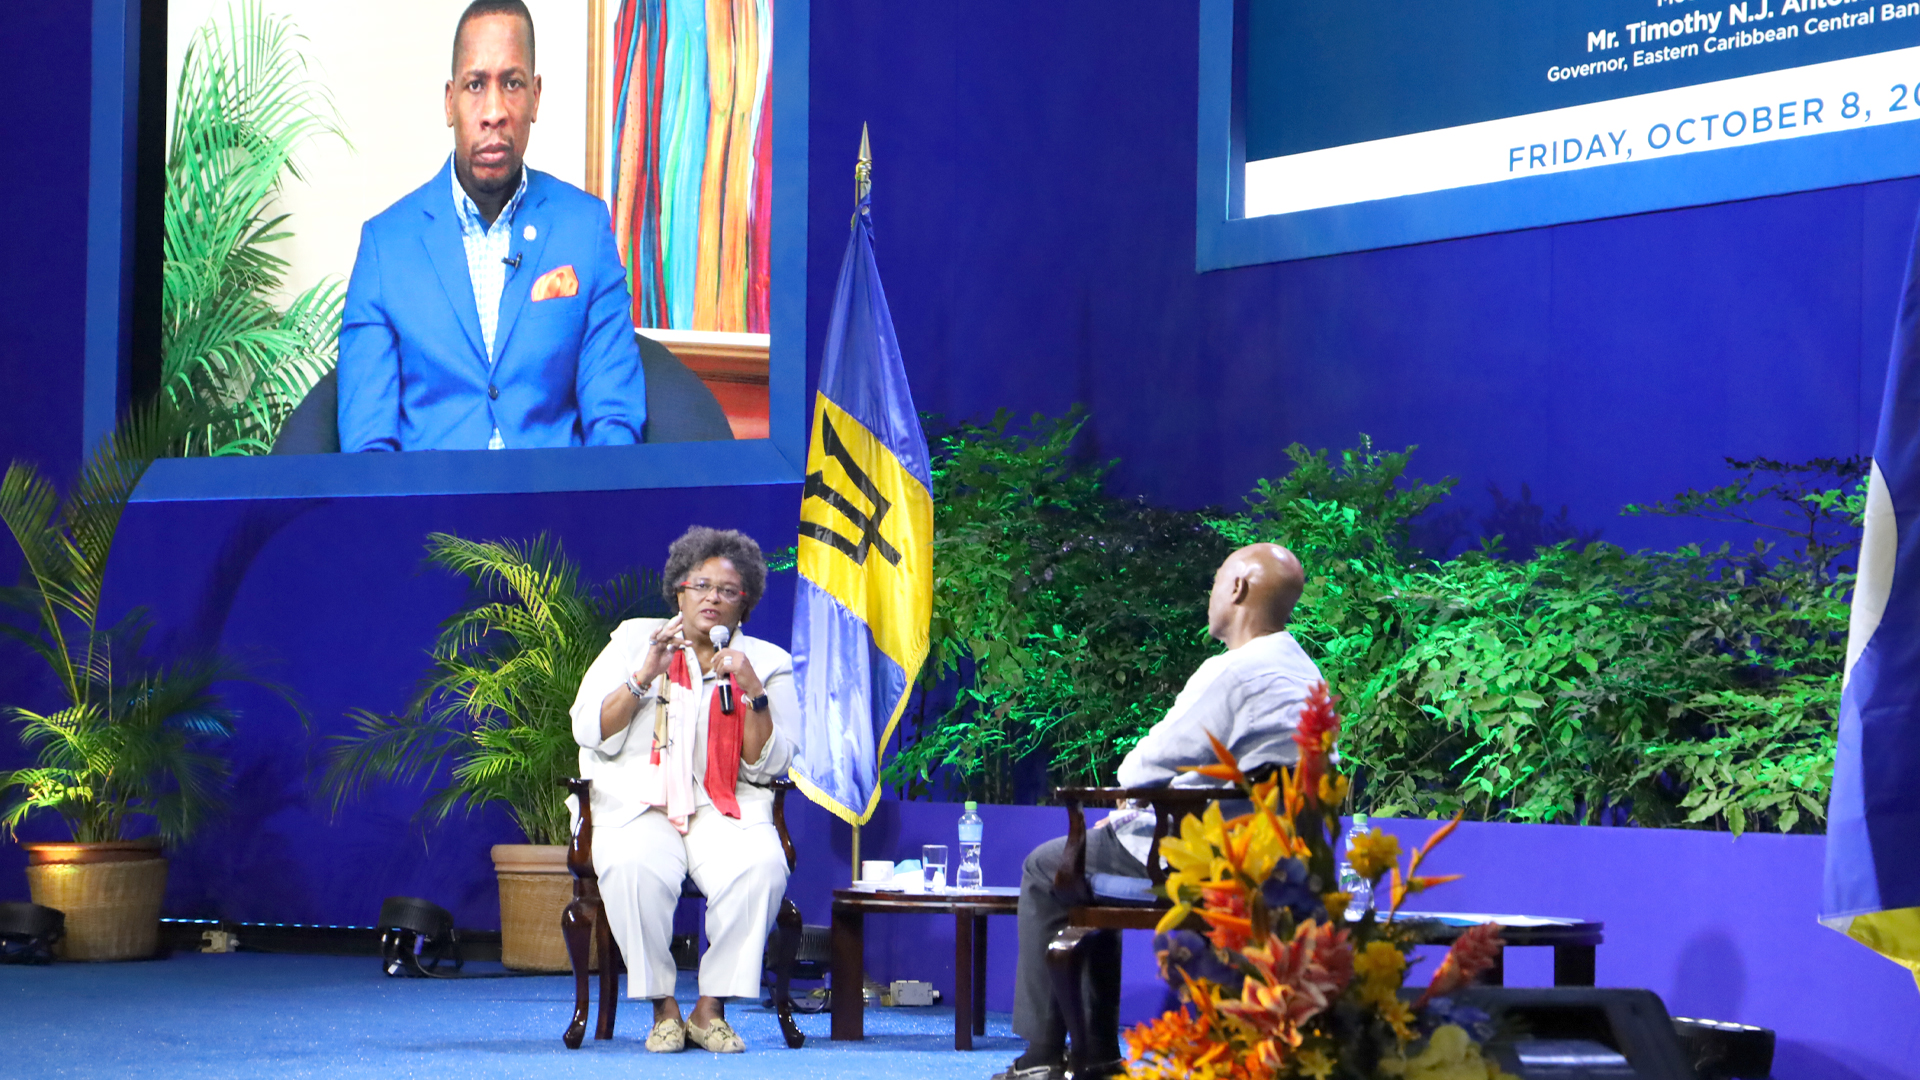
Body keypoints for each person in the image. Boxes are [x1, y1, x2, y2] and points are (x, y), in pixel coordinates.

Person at [996, 543, 1322, 1080]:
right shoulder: (1306, 673)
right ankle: (1095, 1052)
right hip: (1273, 861)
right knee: (1094, 854)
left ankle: (1046, 1055)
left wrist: (1128, 800)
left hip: (1195, 857)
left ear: (1237, 588)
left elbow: (1141, 767)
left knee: (1048, 867)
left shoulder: (1233, 672)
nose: (1212, 592)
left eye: (1217, 580)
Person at [337, 0, 645, 452]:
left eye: (513, 83)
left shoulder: (584, 229)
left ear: (536, 97)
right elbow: (368, 450)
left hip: (557, 514)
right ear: (449, 101)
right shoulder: (385, 247)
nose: (494, 111)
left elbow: (614, 423)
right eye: (475, 85)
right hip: (431, 517)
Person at [569, 527, 799, 1053]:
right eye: (701, 585)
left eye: (728, 590)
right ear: (679, 591)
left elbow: (774, 763)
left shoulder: (767, 662)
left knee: (762, 866)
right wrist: (643, 675)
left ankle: (709, 1008)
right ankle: (663, 1008)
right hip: (640, 802)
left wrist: (753, 693)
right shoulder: (634, 640)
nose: (713, 598)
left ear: (746, 604)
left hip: (726, 804)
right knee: (631, 866)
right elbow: (589, 729)